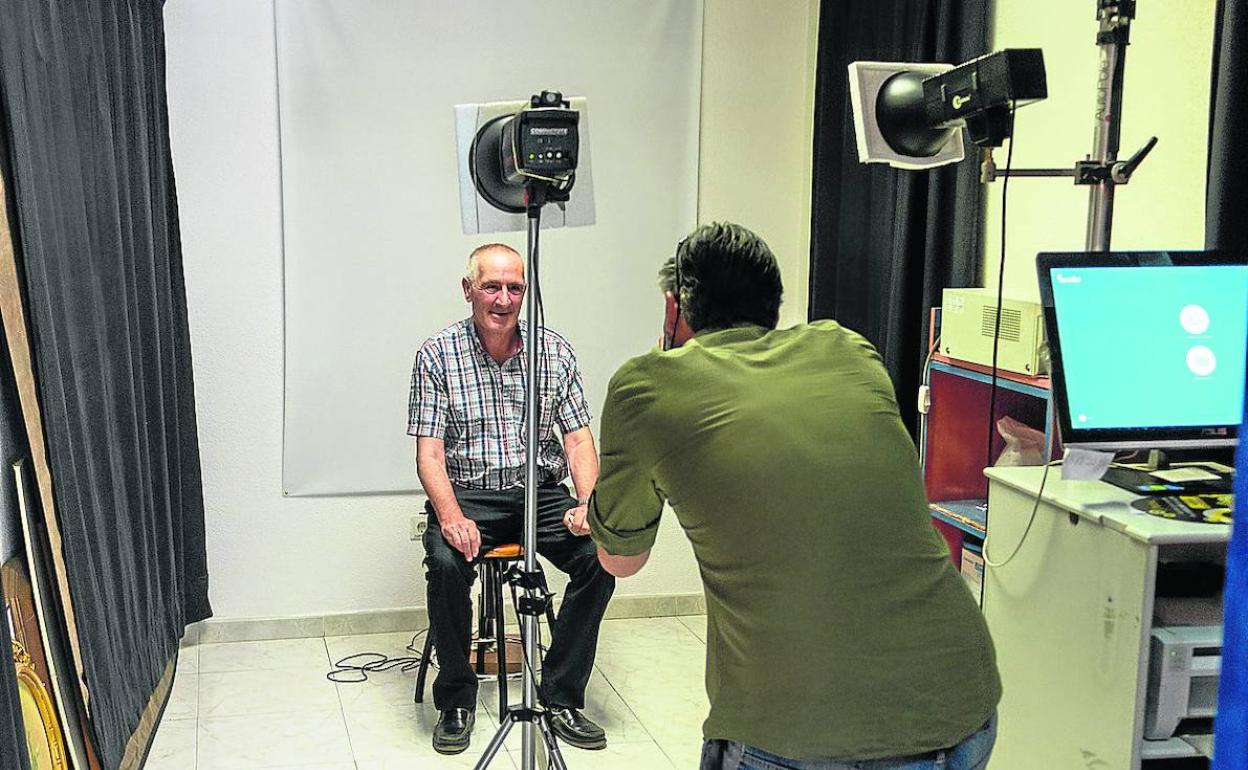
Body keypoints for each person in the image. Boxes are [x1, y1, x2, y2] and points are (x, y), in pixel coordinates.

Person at [587, 222, 1001, 769]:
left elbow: (621, 560)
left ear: (673, 308)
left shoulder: (645, 387)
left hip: (801, 734)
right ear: (773, 304)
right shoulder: (848, 348)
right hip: (962, 702)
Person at [408, 243, 615, 755]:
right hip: (470, 494)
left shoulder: (555, 351)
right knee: (445, 561)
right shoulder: (436, 355)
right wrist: (451, 516)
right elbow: (430, 456)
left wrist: (589, 500)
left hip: (539, 493)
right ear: (468, 290)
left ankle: (562, 695)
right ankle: (456, 699)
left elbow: (578, 439)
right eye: (492, 286)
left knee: (601, 557)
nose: (504, 299)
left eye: (515, 287)